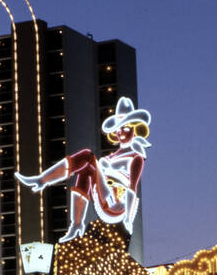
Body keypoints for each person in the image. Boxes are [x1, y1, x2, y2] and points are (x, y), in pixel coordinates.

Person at [14, 97, 151, 241]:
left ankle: (42, 180)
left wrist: (128, 219)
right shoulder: (113, 156)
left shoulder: (136, 157)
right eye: (118, 128)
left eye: (126, 128)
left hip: (116, 203)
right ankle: (76, 225)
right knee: (85, 171)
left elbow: (132, 188)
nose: (121, 132)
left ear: (135, 129)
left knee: (87, 156)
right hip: (103, 194)